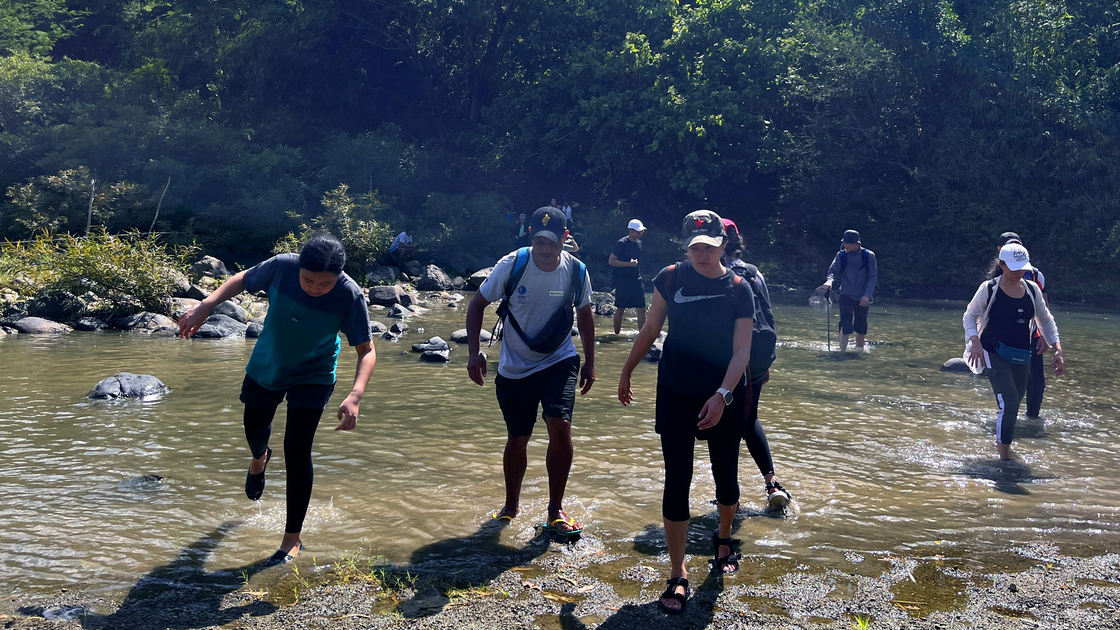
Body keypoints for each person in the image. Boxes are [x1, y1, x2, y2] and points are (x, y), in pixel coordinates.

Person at [178, 233, 375, 566]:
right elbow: (242, 279)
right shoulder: (283, 266)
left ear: (338, 277)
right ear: (299, 267)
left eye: (324, 283)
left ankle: (291, 538)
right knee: (255, 428)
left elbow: (366, 351)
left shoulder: (350, 295)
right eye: (308, 280)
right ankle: (259, 458)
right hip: (268, 363)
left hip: (314, 373)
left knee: (298, 451)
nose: (314, 287)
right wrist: (206, 305)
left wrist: (355, 395)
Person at [618, 210, 755, 613]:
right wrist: (626, 370)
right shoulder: (671, 277)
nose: (702, 254)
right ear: (686, 246)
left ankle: (724, 537)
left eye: (710, 247)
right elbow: (651, 328)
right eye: (695, 247)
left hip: (725, 393)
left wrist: (722, 395)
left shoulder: (738, 287)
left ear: (723, 245)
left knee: (725, 477)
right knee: (677, 478)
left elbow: (742, 351)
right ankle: (677, 574)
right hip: (676, 390)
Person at [465, 206, 596, 538]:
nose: (546, 249)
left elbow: (585, 316)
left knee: (560, 426)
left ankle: (556, 511)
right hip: (515, 367)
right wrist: (474, 353)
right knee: (518, 438)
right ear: (531, 238)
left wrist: (591, 363)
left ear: (565, 239)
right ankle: (511, 505)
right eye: (540, 241)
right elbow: (477, 304)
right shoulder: (513, 265)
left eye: (552, 242)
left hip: (559, 360)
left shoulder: (577, 271)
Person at [964, 242, 1064, 460]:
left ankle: (1001, 441)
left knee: (1014, 403)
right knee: (1009, 402)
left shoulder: (1032, 289)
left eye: (1022, 267)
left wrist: (1057, 348)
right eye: (1014, 267)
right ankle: (1005, 456)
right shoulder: (989, 288)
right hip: (992, 351)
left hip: (1021, 353)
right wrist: (975, 342)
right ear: (1001, 265)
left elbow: (1045, 320)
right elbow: (969, 316)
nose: (1019, 272)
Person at [721, 218, 792, 508]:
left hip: (730, 352)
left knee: (727, 421)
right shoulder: (752, 271)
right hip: (760, 351)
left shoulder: (713, 272)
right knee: (749, 419)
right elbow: (768, 314)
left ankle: (728, 493)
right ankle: (772, 483)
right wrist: (766, 360)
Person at [987, 232, 1050, 418]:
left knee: (1037, 380)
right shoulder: (994, 278)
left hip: (1032, 335)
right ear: (1000, 252)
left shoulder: (1037, 275)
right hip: (1004, 338)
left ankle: (1032, 419)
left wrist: (1045, 336)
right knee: (1007, 380)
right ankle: (1007, 415)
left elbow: (1045, 308)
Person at [820, 230, 877, 351]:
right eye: (844, 242)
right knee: (845, 323)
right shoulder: (841, 255)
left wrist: (867, 295)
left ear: (856, 243)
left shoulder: (868, 256)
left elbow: (873, 277)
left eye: (847, 243)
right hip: (846, 294)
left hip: (862, 296)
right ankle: (842, 352)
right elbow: (832, 271)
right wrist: (829, 281)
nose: (845, 245)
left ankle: (859, 351)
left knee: (861, 324)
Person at [608, 219, 647, 334]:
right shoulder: (622, 243)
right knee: (620, 309)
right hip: (623, 280)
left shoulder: (639, 243)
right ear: (631, 230)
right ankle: (616, 334)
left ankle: (643, 336)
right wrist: (628, 264)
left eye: (641, 231)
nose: (640, 234)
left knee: (642, 309)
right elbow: (611, 261)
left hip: (636, 280)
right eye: (638, 231)